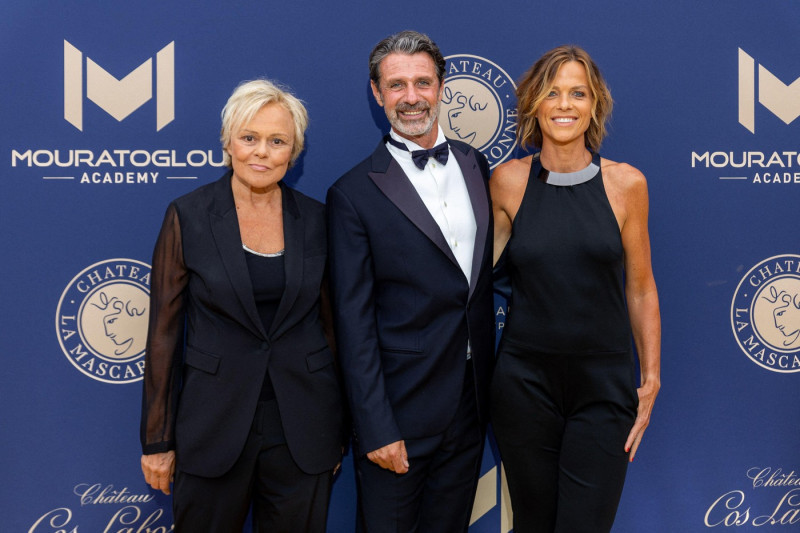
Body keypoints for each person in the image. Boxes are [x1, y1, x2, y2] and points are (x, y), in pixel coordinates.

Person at [139, 79, 345, 532]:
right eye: (249, 138)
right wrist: (157, 441)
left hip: (304, 429)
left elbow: (335, 330)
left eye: (277, 141)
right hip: (213, 426)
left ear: (294, 151)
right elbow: (163, 335)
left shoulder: (318, 220)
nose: (261, 152)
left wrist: (338, 430)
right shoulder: (188, 215)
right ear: (228, 142)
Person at [326, 30, 495, 533]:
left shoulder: (474, 163)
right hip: (399, 413)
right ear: (377, 95)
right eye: (396, 85)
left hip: (470, 403)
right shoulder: (352, 193)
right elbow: (352, 323)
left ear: (442, 87)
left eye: (422, 82)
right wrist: (376, 427)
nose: (412, 97)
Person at [490, 45, 661, 533]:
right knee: (533, 524)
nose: (564, 104)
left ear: (594, 105)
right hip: (524, 385)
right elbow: (473, 279)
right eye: (552, 93)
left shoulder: (627, 184)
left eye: (577, 93)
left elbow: (641, 288)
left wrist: (651, 376)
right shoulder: (506, 182)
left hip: (603, 388)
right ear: (534, 106)